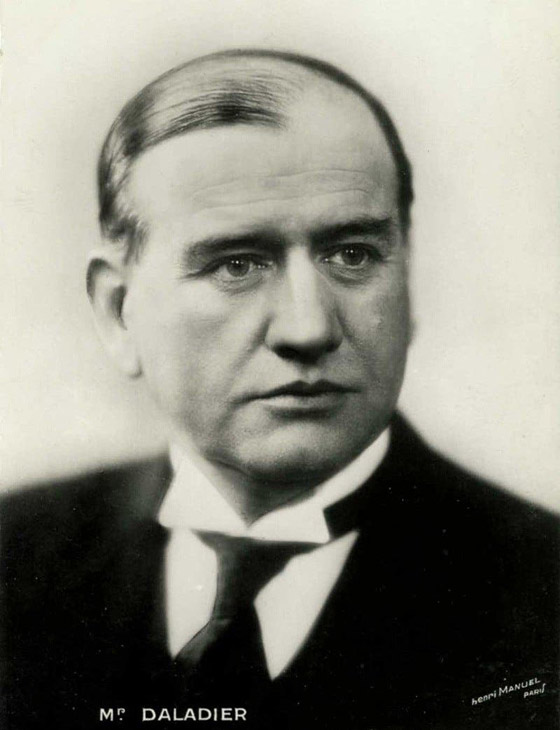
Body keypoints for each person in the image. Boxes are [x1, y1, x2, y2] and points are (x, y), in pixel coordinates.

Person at [1, 49, 558, 730]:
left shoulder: (542, 590)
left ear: (408, 283)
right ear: (120, 312)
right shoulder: (15, 559)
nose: (308, 327)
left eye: (353, 254)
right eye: (236, 264)